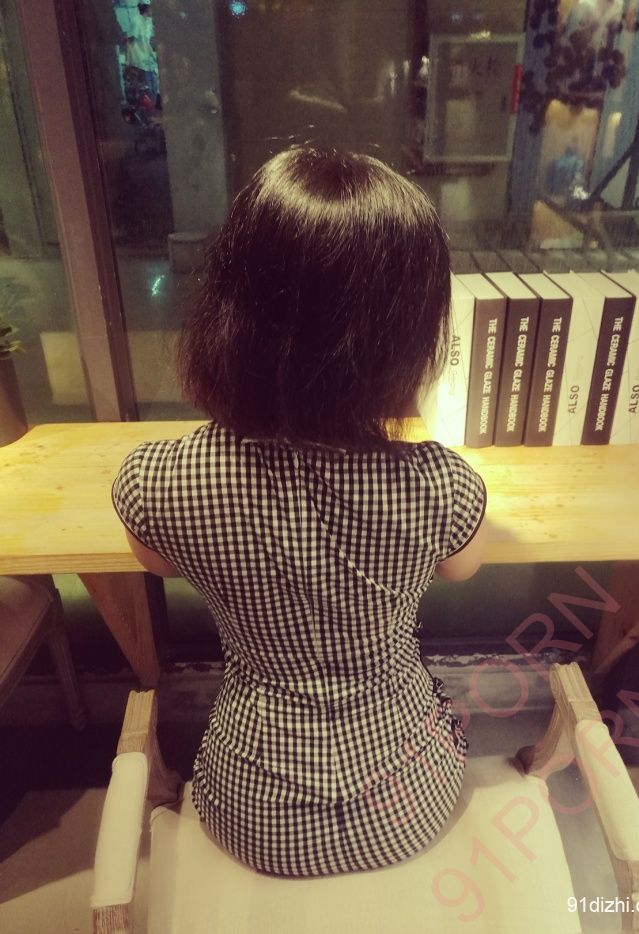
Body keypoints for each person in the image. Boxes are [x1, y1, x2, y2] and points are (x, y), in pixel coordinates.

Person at [112, 147, 488, 877]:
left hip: (251, 815)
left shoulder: (156, 481)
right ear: (406, 341)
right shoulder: (442, 486)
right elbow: (463, 568)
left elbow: (153, 561)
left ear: (228, 312)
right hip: (407, 807)